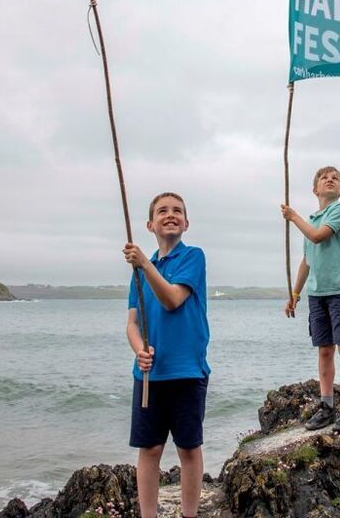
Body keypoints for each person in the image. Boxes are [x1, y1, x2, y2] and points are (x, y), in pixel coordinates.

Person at [123, 192, 210, 518]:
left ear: (186, 222)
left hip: (187, 370)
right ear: (150, 224)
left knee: (188, 448)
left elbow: (173, 299)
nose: (170, 215)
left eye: (177, 211)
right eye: (162, 211)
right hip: (149, 373)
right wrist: (139, 349)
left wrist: (145, 263)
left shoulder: (193, 257)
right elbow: (132, 323)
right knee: (150, 448)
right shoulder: (139, 272)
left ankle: (190, 515)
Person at [281, 165, 340, 432]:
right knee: (324, 349)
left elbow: (318, 237)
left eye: (335, 178)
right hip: (317, 295)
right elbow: (307, 261)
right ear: (315, 189)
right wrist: (295, 294)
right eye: (324, 178)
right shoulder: (312, 219)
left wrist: (293, 217)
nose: (330, 180)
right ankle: (327, 404)